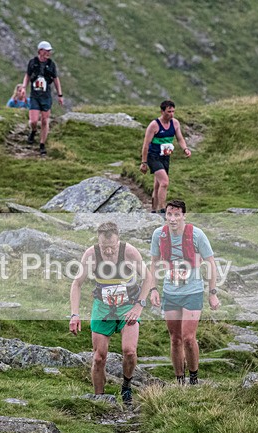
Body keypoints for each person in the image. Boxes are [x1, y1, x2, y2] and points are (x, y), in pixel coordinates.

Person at [69, 222, 153, 405]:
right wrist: (74, 314)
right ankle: (100, 398)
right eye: (104, 247)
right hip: (103, 307)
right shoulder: (91, 254)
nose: (108, 251)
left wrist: (139, 306)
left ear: (119, 241)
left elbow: (148, 277)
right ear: (98, 243)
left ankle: (126, 387)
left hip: (127, 306)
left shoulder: (129, 252)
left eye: (112, 247)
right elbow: (77, 284)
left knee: (129, 351)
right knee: (99, 357)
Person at [148, 199, 220, 385]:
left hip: (193, 292)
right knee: (175, 339)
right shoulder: (159, 235)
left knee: (188, 338)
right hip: (170, 292)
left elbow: (211, 263)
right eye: (169, 214)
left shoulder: (196, 235)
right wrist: (153, 289)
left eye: (176, 215)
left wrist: (212, 292)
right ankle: (179, 380)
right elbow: (154, 263)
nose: (172, 219)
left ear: (183, 216)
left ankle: (194, 378)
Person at [139, 100, 191, 215]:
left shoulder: (175, 123)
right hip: (153, 157)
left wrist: (185, 148)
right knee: (165, 182)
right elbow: (146, 145)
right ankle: (163, 210)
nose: (171, 114)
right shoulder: (154, 125)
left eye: (173, 111)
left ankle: (153, 210)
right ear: (162, 111)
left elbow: (180, 138)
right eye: (168, 112)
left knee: (158, 185)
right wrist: (144, 162)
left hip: (165, 157)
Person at [21, 40, 64, 156]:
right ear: (40, 51)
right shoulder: (32, 62)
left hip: (46, 96)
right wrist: (24, 87)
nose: (48, 53)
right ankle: (33, 130)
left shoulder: (51, 64)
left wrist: (60, 95)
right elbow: (28, 75)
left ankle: (42, 144)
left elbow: (56, 79)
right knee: (34, 121)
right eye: (46, 51)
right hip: (35, 96)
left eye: (49, 51)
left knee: (45, 120)